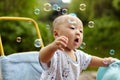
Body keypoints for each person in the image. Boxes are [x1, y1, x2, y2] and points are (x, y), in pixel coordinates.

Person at [39, 14, 115, 80]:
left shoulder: (79, 55)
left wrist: (105, 61)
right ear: (56, 34)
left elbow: (90, 60)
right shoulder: (55, 53)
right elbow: (43, 58)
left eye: (81, 31)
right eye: (72, 28)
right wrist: (52, 47)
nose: (78, 32)